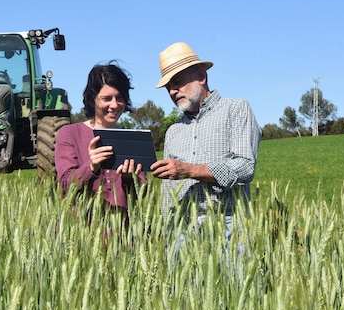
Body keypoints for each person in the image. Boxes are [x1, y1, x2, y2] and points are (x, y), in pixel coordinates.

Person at [150, 42, 261, 248]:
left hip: (228, 223)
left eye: (178, 82)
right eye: (168, 87)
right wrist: (164, 229)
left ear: (201, 76)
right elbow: (168, 190)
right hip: (180, 228)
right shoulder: (173, 131)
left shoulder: (236, 109)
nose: (173, 91)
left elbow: (245, 167)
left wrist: (190, 170)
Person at [55, 61, 147, 227]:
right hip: (79, 235)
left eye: (120, 98)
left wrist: (129, 179)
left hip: (121, 237)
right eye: (106, 98)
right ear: (92, 100)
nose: (114, 105)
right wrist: (91, 167)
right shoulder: (69, 134)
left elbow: (142, 193)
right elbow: (65, 184)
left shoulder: (131, 139)